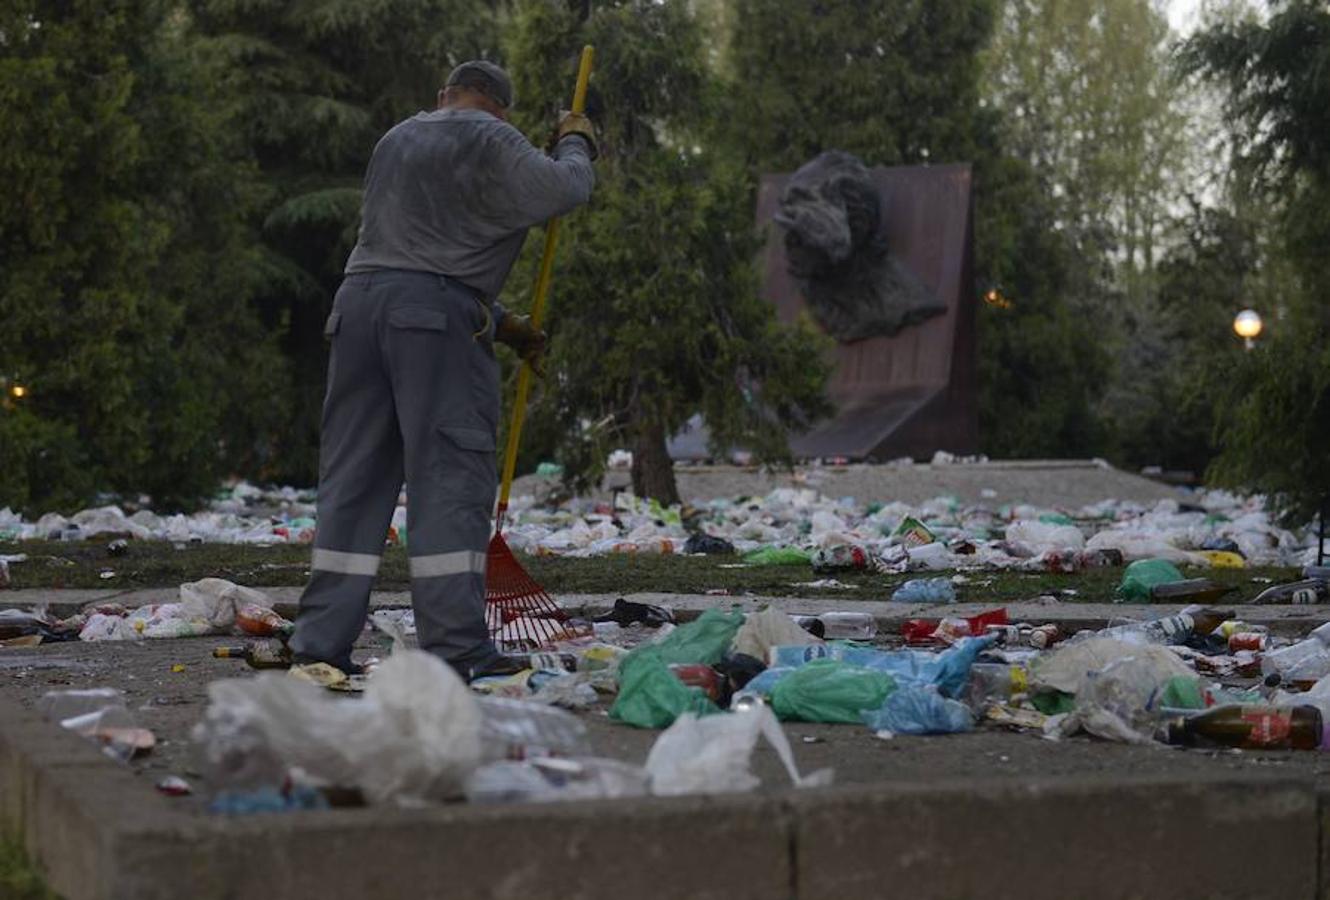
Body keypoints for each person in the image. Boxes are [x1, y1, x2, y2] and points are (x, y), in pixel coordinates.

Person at [289, 60, 596, 680]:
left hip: (358, 310)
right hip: (433, 323)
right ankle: (456, 649)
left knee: (354, 479)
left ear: (443, 96)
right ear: (499, 109)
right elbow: (565, 189)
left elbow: (414, 251)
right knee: (450, 475)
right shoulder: (490, 136)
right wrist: (575, 140)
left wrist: (503, 323)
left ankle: (319, 644)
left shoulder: (396, 139)